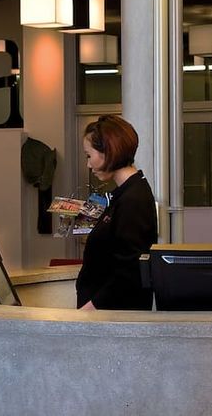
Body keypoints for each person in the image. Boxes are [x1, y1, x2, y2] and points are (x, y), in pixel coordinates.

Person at [76, 115, 158, 310]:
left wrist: (90, 309)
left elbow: (129, 271)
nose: (88, 165)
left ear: (109, 152)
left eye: (89, 156)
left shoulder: (133, 199)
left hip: (113, 315)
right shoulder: (125, 193)